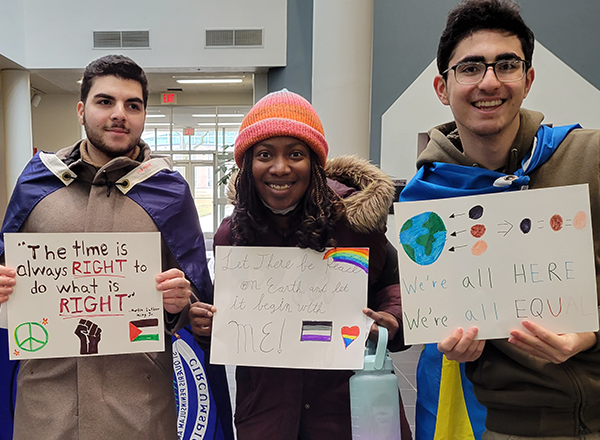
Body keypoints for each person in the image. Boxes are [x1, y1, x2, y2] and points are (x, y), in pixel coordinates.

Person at [400, 1, 600, 439]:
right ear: (442, 86)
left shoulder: (590, 159)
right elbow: (442, 316)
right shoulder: (425, 204)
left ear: (527, 80)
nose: (489, 81)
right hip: (508, 426)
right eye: (470, 67)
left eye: (506, 64)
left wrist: (589, 333)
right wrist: (461, 349)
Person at [0, 54, 215, 440]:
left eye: (133, 105)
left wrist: (179, 304)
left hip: (139, 408)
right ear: (81, 110)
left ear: (144, 114)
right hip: (46, 410)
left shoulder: (168, 191)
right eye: (105, 102)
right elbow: (7, 279)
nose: (120, 114)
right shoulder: (37, 183)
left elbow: (198, 302)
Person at [189, 89, 413, 440]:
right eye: (265, 154)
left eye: (295, 154)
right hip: (266, 412)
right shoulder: (231, 235)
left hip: (348, 410)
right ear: (248, 164)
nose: (280, 168)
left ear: (314, 164)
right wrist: (208, 324)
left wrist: (393, 319)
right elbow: (232, 312)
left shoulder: (353, 223)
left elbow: (393, 284)